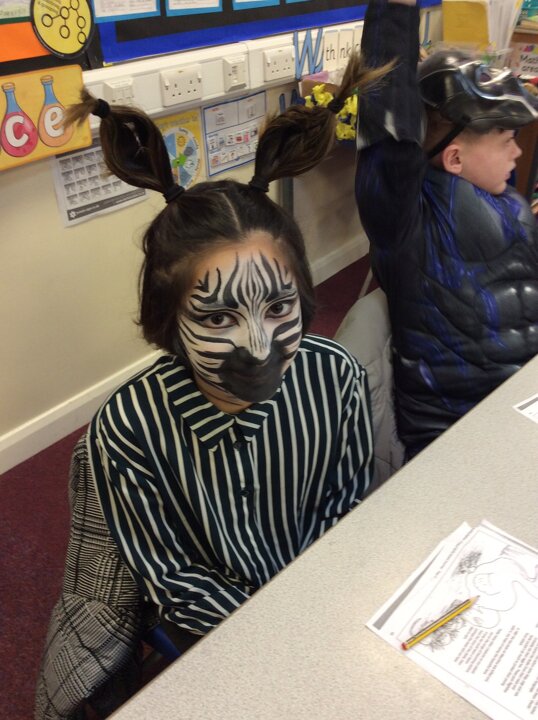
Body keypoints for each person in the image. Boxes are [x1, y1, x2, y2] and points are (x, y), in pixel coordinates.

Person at [36, 57, 382, 719]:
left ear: (305, 297)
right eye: (219, 318)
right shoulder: (129, 428)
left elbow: (343, 507)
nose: (259, 345)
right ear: (170, 319)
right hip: (218, 628)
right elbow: (170, 575)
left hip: (320, 599)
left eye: (278, 308)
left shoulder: (335, 375)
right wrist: (275, 634)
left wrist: (317, 607)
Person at [355, 0, 538, 459]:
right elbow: (388, 126)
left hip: (522, 405)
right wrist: (396, 10)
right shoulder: (410, 220)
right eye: (506, 141)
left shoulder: (507, 202)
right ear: (455, 158)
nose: (518, 153)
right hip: (455, 431)